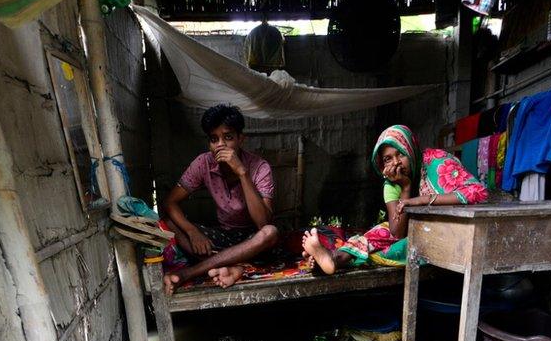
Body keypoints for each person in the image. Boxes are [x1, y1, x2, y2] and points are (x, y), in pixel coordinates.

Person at [302, 125, 487, 275]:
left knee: (397, 248)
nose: (396, 163)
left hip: (449, 232)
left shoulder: (436, 161)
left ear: (411, 149)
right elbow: (396, 231)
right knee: (376, 234)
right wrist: (405, 188)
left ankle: (335, 258)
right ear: (382, 164)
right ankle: (332, 259)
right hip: (413, 229)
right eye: (388, 159)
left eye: (401, 154)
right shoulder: (392, 182)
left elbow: (477, 193)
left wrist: (421, 200)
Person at [161, 104, 279, 294]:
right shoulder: (203, 163)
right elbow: (170, 202)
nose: (220, 145)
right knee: (169, 222)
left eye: (228, 137)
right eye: (214, 139)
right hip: (223, 237)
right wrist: (192, 232)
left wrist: (242, 173)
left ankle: (189, 272)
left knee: (270, 232)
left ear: (241, 139)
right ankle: (236, 266)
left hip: (252, 239)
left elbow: (263, 222)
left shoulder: (260, 167)